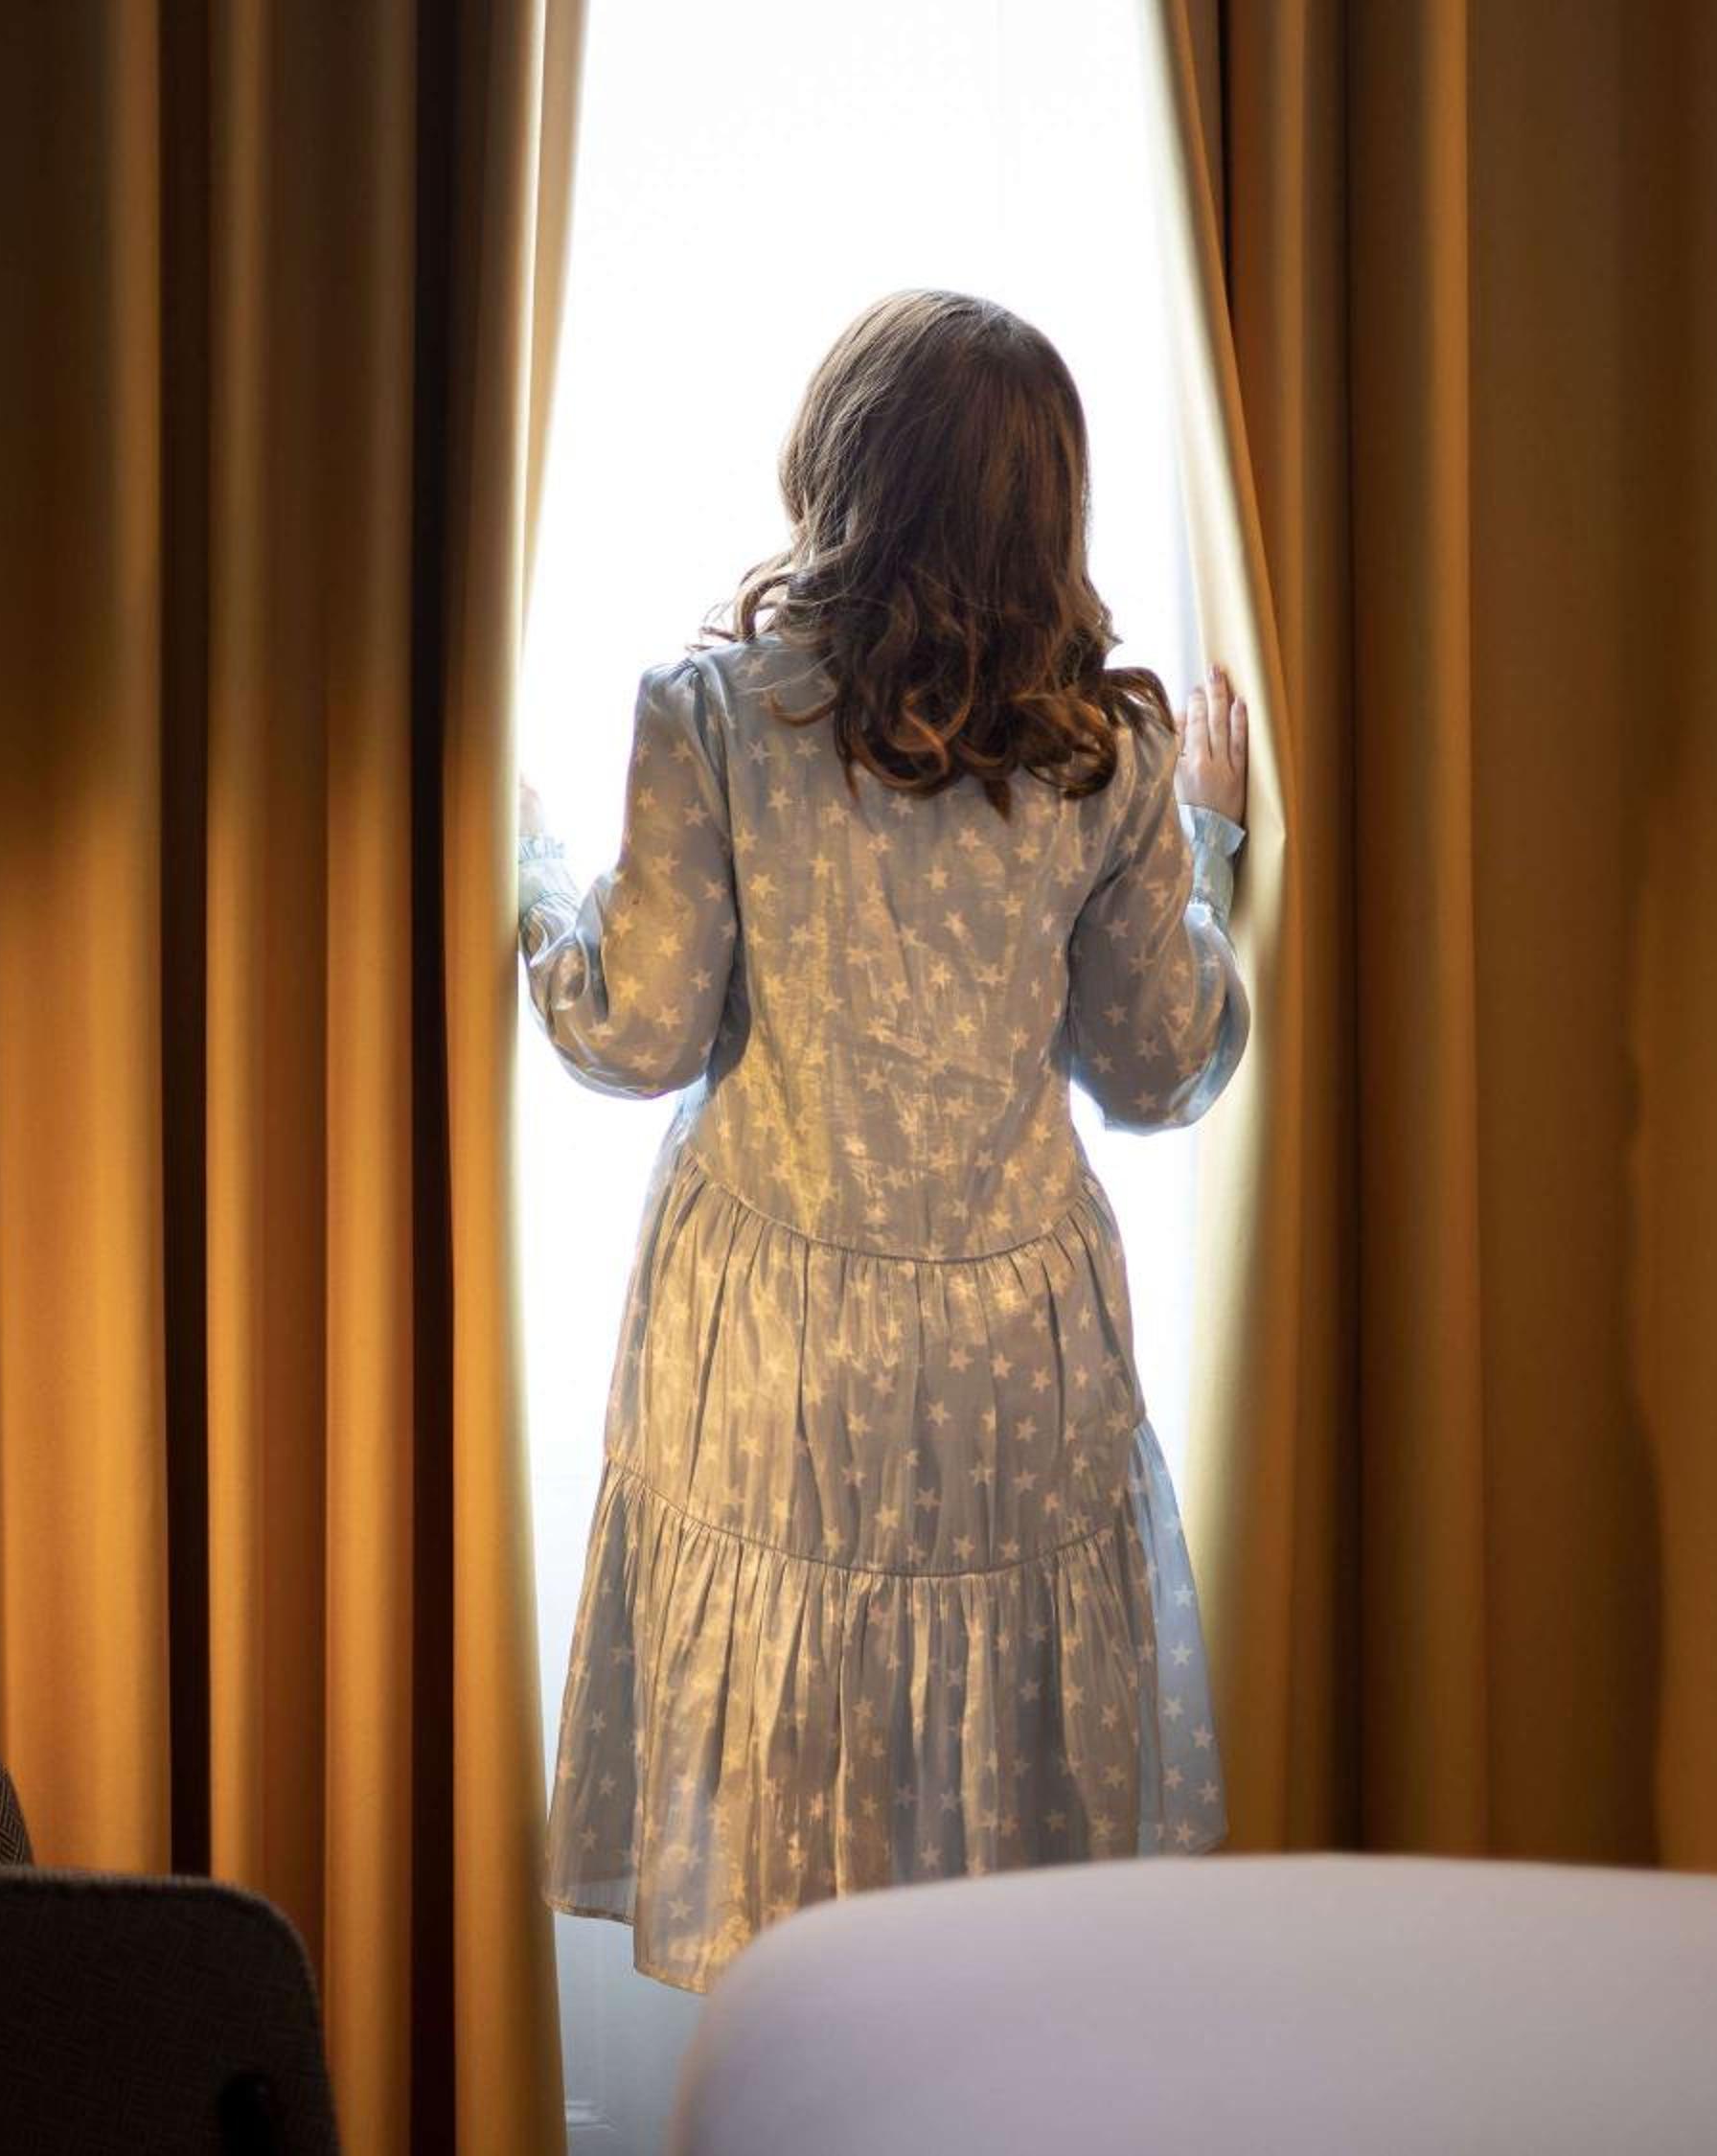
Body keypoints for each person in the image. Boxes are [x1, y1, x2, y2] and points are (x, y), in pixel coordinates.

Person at [515, 288, 1254, 1994]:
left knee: (790, 1829)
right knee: (989, 1845)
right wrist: (1210, 845)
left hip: (773, 1348)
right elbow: (1160, 1069)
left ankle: (800, 2090)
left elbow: (634, 1030)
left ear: (840, 466)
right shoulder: (1109, 757)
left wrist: (540, 879)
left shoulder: (717, 716)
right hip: (1014, 1355)